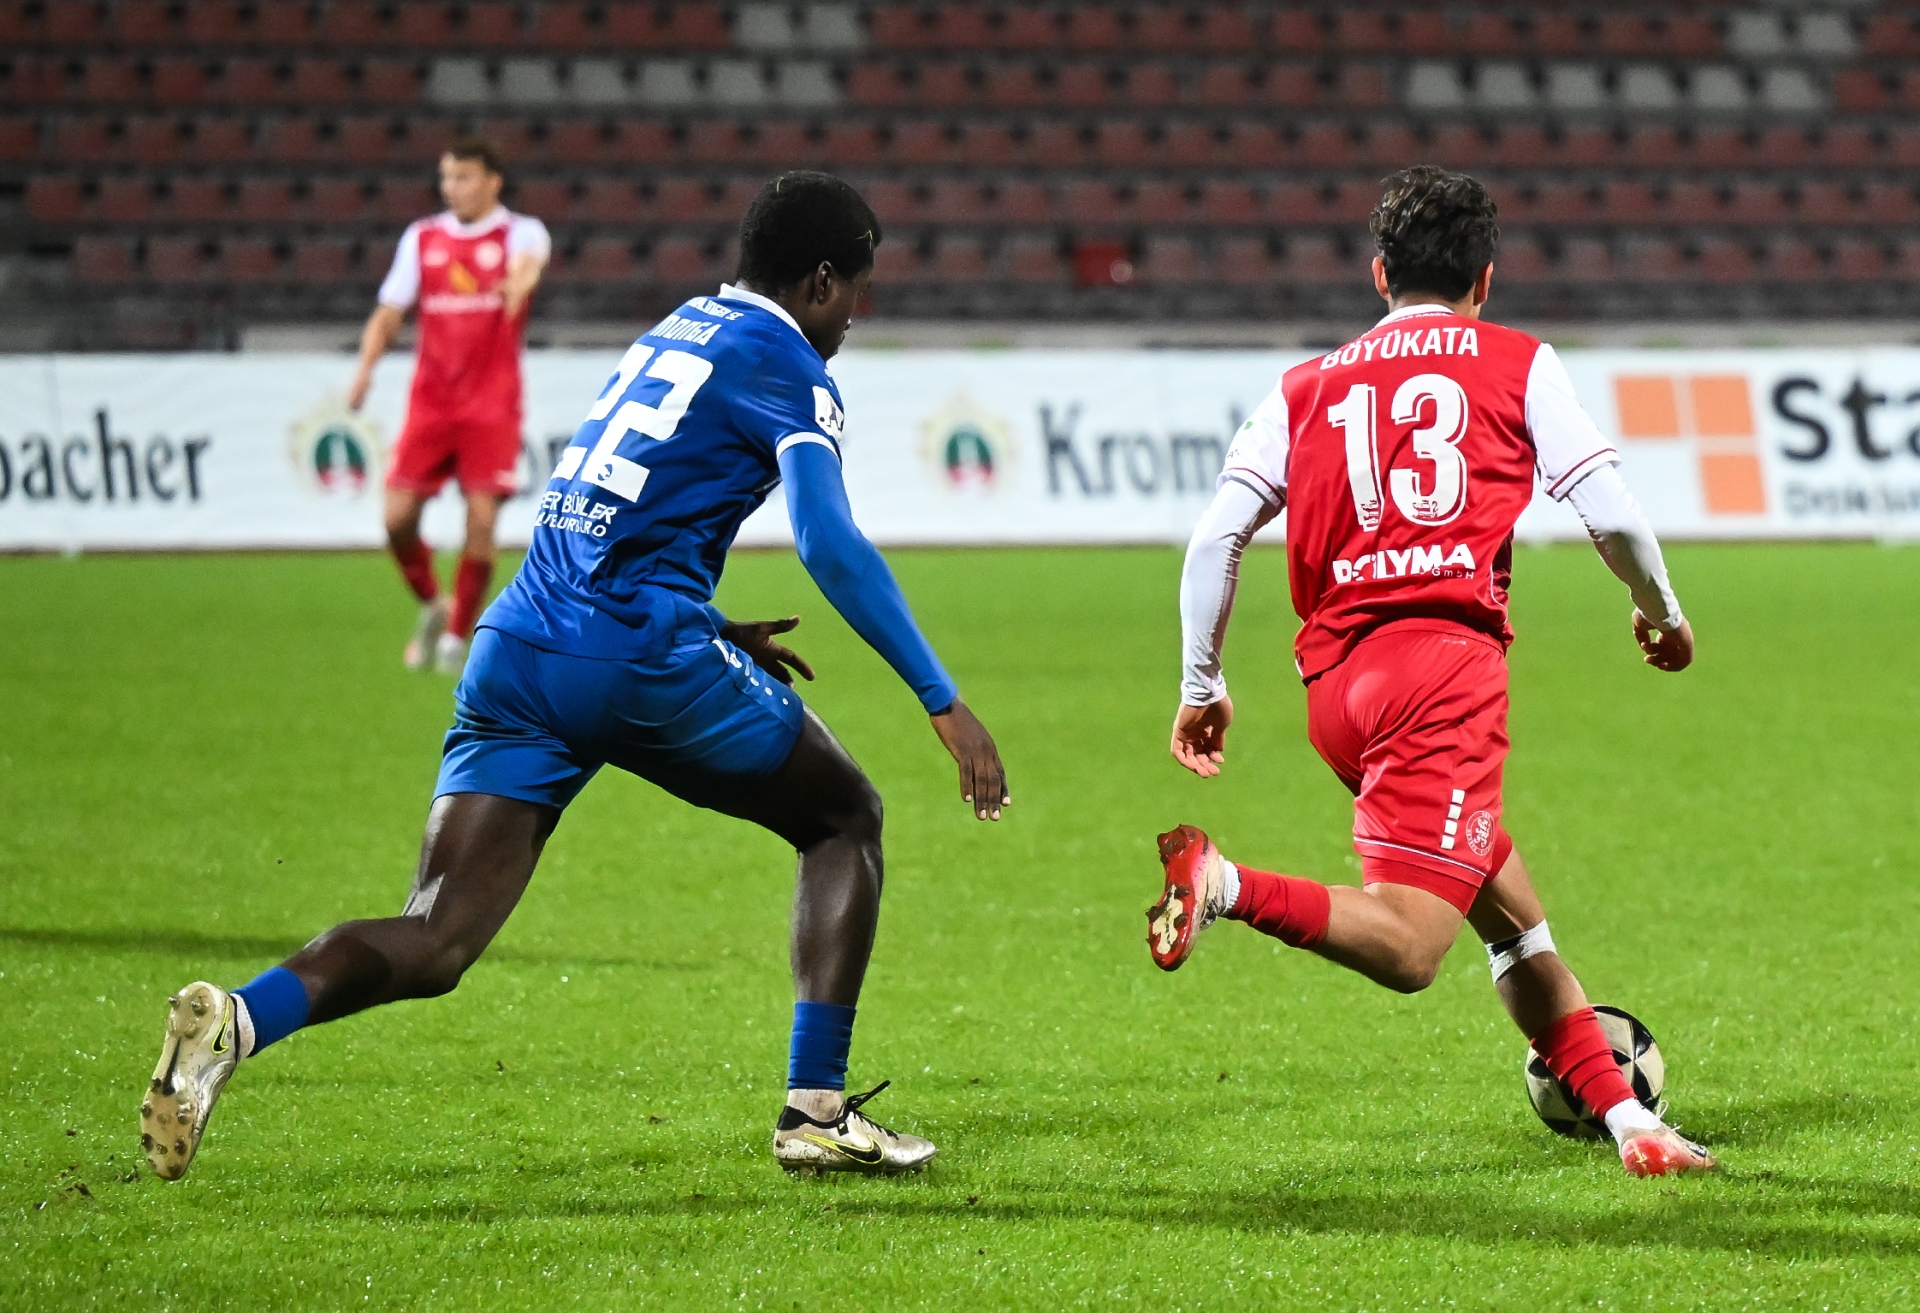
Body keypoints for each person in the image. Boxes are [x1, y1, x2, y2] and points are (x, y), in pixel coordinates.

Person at [141, 172, 1010, 1181]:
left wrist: (710, 617)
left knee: (436, 932)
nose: (859, 309)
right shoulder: (789, 363)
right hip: (633, 656)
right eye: (857, 286)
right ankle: (814, 1108)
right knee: (844, 817)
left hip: (518, 645)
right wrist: (942, 698)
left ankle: (235, 1021)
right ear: (820, 280)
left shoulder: (677, 328)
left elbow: (612, 509)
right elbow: (828, 540)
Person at [1147, 166, 1716, 1179]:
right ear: (1485, 278)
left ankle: (1634, 1123)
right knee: (1414, 947)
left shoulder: (1304, 385)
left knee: (1517, 926)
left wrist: (1202, 685)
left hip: (1337, 689)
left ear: (1379, 274)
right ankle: (1223, 881)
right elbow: (1613, 512)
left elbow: (1216, 536)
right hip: (1442, 676)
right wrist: (1661, 612)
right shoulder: (1519, 362)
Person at [349, 137, 551, 675]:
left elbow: (529, 265)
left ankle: (456, 638)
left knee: (481, 522)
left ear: (492, 181)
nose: (451, 188)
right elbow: (389, 312)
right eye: (446, 177)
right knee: (396, 519)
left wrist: (518, 285)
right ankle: (434, 603)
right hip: (432, 401)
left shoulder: (521, 231)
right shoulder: (422, 237)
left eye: (462, 177)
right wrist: (365, 369)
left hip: (491, 403)